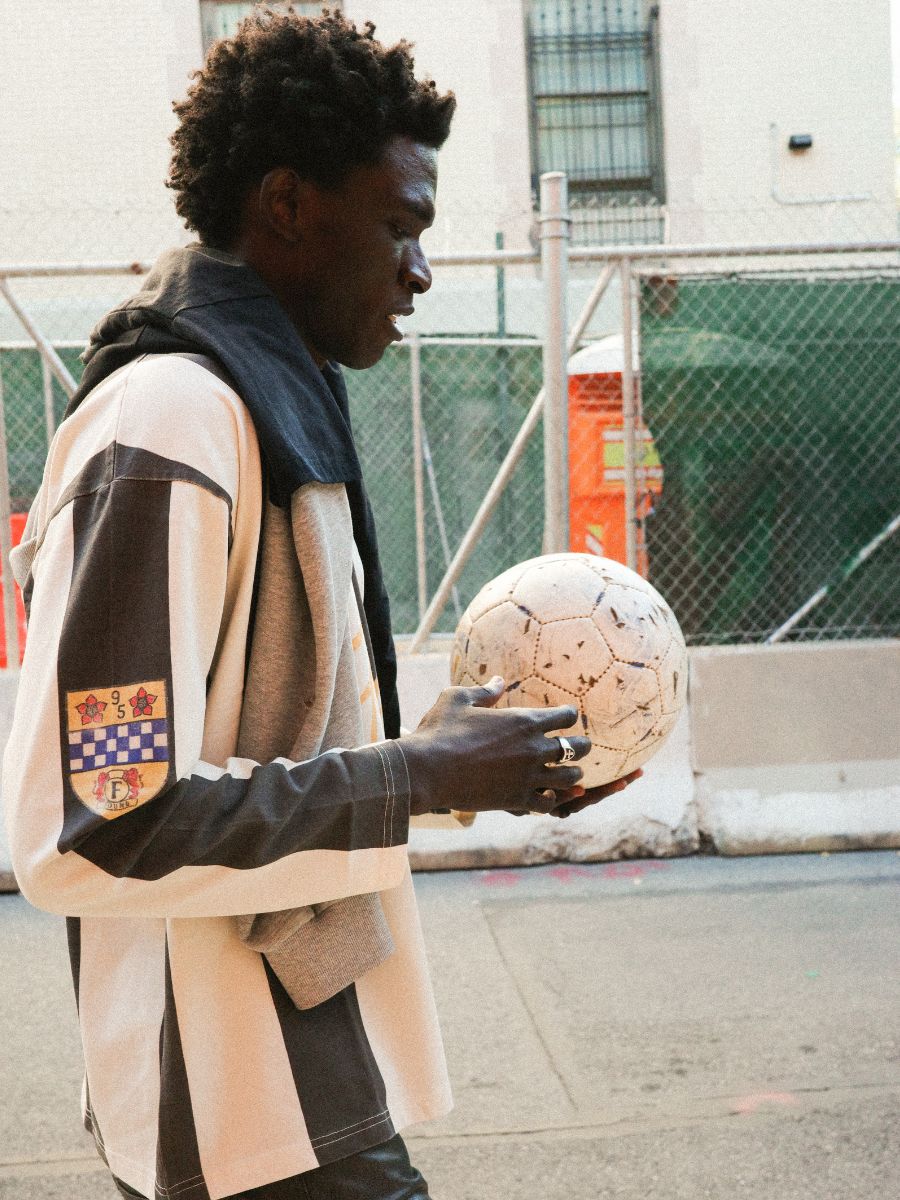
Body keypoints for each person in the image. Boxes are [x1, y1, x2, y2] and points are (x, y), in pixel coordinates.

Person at [3, 9, 639, 1199]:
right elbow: (101, 821)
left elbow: (267, 745)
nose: (421, 268)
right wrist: (419, 776)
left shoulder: (264, 403)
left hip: (296, 1076)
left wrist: (467, 761)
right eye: (402, 224)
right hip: (238, 1103)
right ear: (289, 204)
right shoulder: (170, 425)